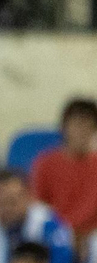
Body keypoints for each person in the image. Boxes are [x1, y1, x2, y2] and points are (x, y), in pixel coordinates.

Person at [30, 97, 97, 243]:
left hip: (91, 239)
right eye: (78, 125)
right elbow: (39, 207)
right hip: (55, 236)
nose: (83, 132)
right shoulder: (46, 163)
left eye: (89, 126)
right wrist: (63, 232)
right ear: (64, 127)